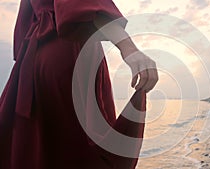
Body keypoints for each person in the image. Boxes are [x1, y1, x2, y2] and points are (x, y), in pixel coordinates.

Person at [0, 0, 158, 169]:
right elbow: (84, 6)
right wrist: (128, 48)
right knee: (79, 149)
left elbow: (23, 28)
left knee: (38, 147)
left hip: (32, 62)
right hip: (71, 51)